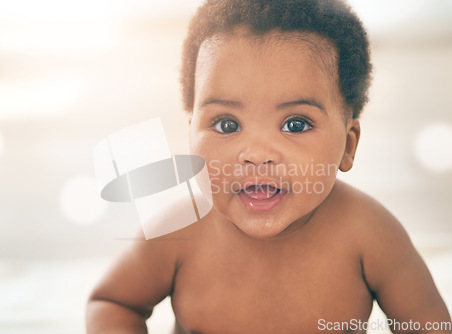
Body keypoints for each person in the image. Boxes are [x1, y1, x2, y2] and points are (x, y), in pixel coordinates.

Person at [86, 0, 452, 333]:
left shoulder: (371, 237)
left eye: (295, 124)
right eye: (226, 124)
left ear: (348, 145)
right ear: (190, 137)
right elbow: (113, 304)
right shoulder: (175, 235)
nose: (257, 154)